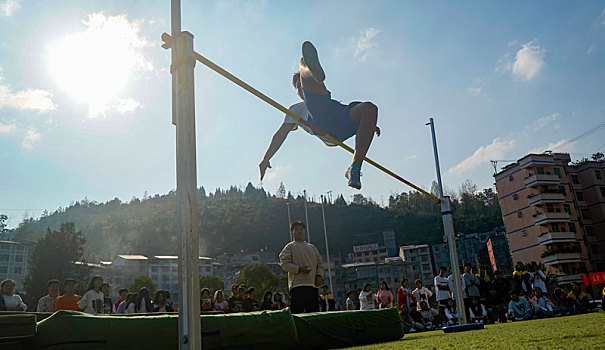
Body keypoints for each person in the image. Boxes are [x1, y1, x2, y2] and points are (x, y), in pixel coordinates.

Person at [259, 41, 380, 190]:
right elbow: (280, 134)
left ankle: (354, 168)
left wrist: (368, 123)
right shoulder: (296, 109)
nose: (301, 90)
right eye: (299, 87)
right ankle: (307, 71)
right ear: (297, 91)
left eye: (300, 86)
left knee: (369, 109)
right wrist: (266, 158)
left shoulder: (325, 102)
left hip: (339, 116)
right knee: (303, 62)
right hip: (321, 121)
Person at [279, 221, 324, 314]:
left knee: (313, 313)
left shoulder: (312, 247)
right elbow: (284, 263)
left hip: (312, 285)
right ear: (292, 232)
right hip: (297, 285)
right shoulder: (290, 247)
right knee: (297, 313)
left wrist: (319, 276)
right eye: (296, 229)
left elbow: (320, 264)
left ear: (304, 231)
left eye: (301, 229)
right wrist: (299, 269)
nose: (299, 231)